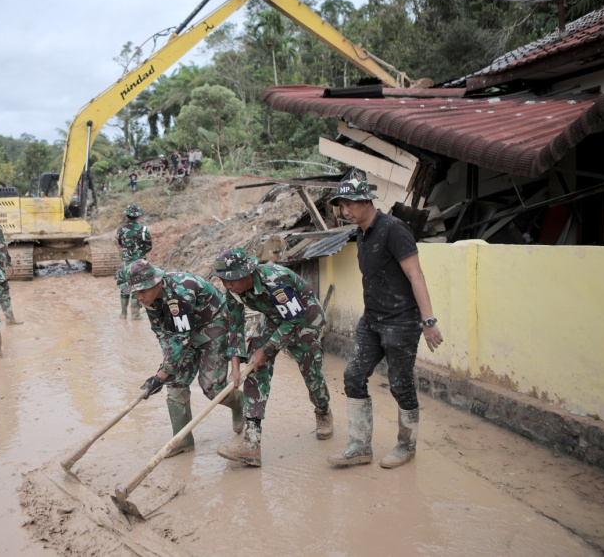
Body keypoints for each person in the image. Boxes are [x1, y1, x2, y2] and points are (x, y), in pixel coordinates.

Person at [326, 171, 443, 469]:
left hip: (401, 322)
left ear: (367, 201)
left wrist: (428, 321)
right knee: (353, 376)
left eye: (350, 204)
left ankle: (406, 446)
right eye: (342, 206)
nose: (345, 211)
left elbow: (416, 275)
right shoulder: (361, 234)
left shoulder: (394, 229)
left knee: (400, 385)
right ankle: (359, 446)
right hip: (372, 320)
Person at [212, 248, 333, 467]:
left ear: (247, 273)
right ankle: (251, 444)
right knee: (254, 368)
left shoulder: (276, 280)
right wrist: (235, 367)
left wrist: (266, 349)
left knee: (311, 372)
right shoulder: (233, 290)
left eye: (232, 279)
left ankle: (323, 410)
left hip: (305, 318)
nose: (227, 285)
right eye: (223, 280)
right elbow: (235, 326)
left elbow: (294, 319)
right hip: (274, 317)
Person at [127, 259, 244, 457]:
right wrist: (166, 370)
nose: (139, 297)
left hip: (213, 323)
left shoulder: (180, 292)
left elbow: (183, 337)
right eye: (135, 292)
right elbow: (162, 334)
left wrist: (161, 374)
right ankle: (182, 440)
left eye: (143, 291)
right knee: (175, 382)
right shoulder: (149, 298)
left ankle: (239, 402)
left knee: (212, 387)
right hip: (183, 330)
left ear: (157, 283)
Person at [116, 204, 152, 319]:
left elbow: (120, 244)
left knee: (125, 287)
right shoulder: (144, 229)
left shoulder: (121, 229)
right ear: (138, 216)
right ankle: (135, 315)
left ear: (127, 216)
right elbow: (149, 246)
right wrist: (140, 252)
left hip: (125, 263)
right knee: (137, 288)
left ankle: (123, 314)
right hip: (139, 264)